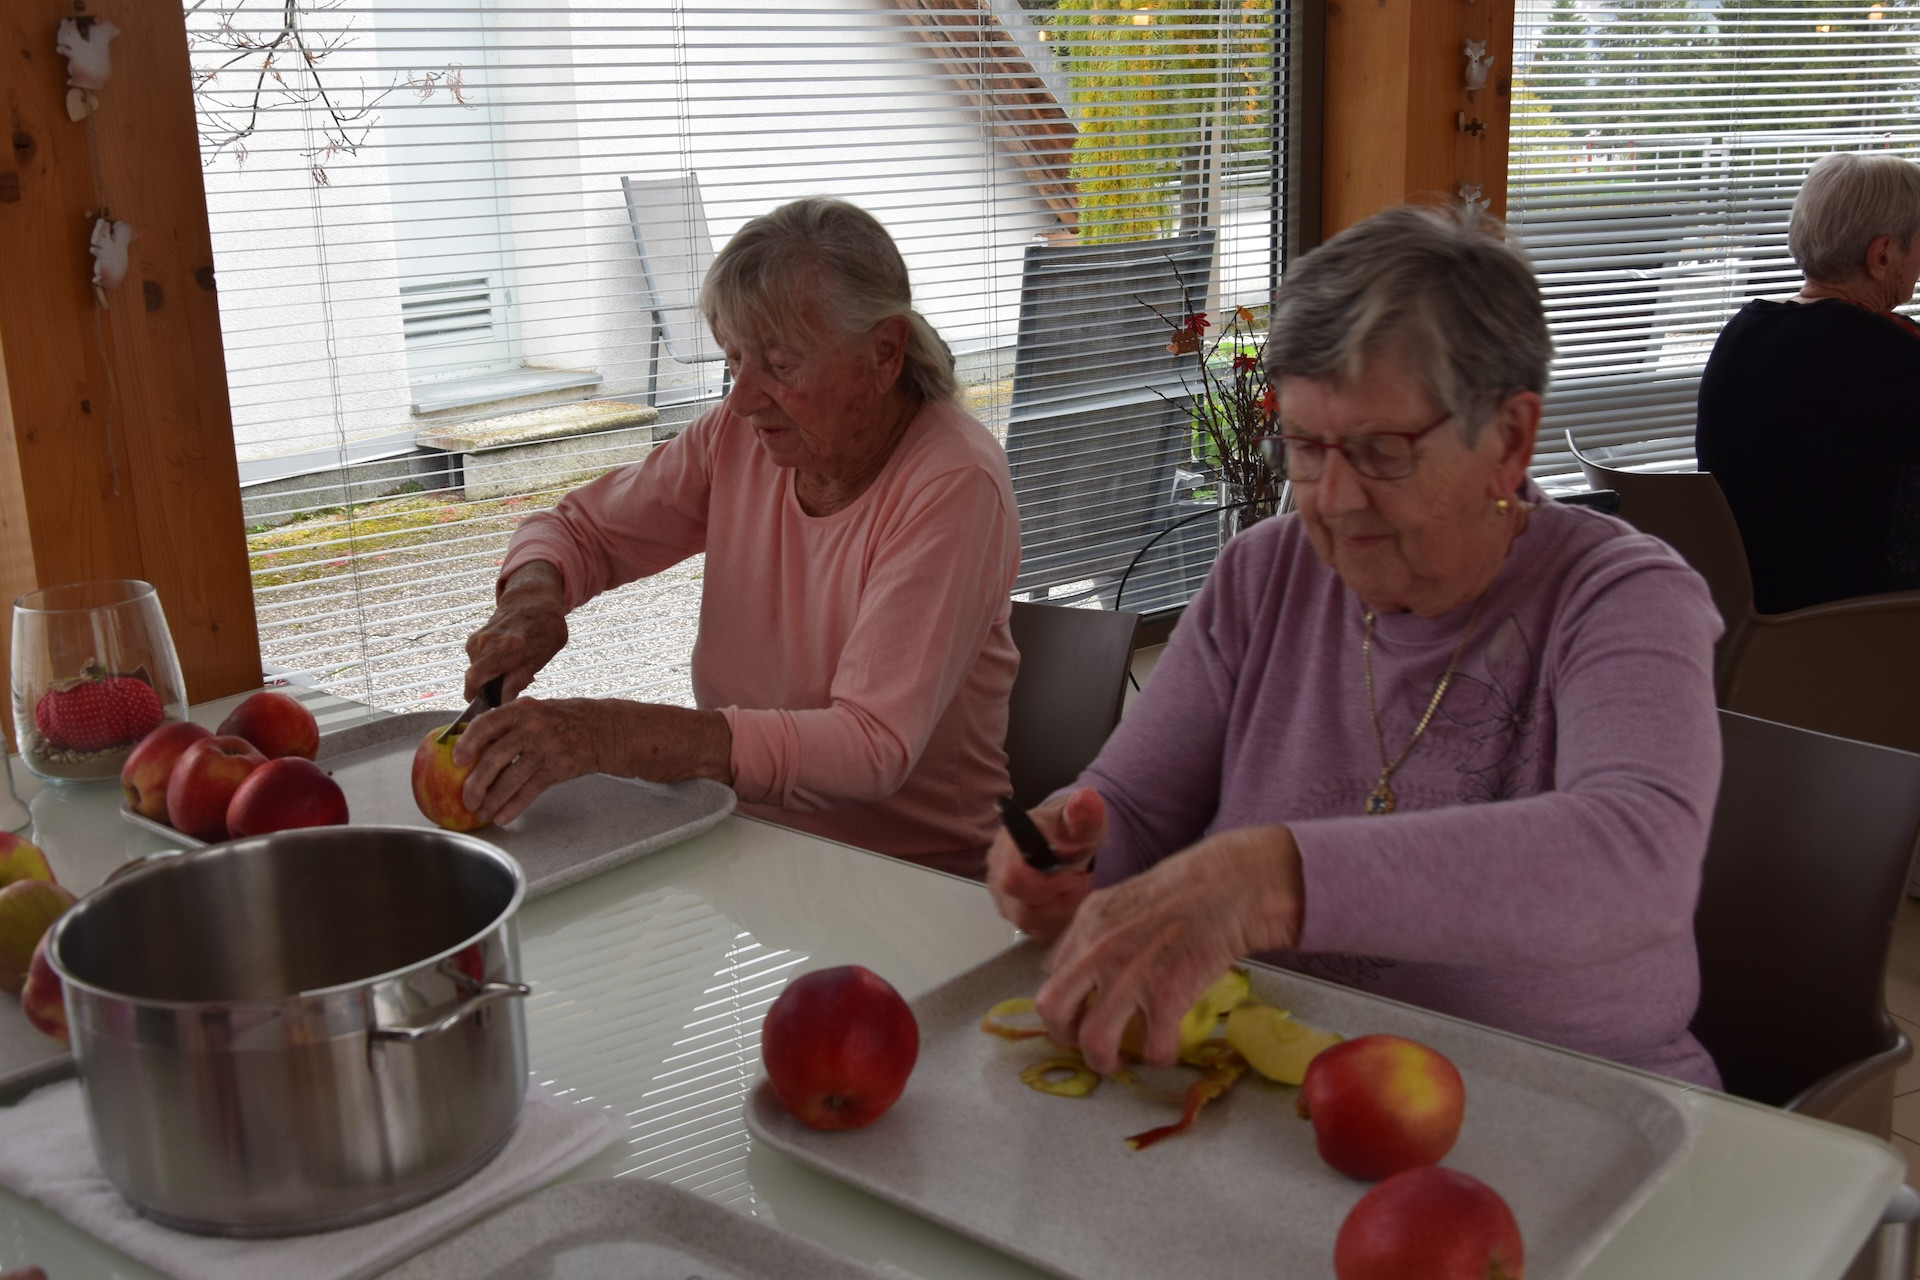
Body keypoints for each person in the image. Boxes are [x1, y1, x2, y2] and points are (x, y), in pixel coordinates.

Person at [988, 205, 1725, 1087]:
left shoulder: (1621, 596)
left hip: (1568, 1105)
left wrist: (1273, 877)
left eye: (1381, 450)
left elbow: (1636, 860)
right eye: (1305, 445)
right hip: (1271, 1080)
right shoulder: (1264, 574)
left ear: (1510, 438)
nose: (1331, 499)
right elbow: (1133, 805)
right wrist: (1067, 853)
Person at [456, 197, 1020, 877]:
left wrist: (609, 736)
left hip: (911, 879)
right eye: (734, 361)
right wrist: (533, 597)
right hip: (744, 844)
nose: (745, 396)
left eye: (780, 365)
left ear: (884, 354)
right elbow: (578, 530)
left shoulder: (952, 483)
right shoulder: (743, 435)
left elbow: (871, 746)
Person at [1697, 151, 1920, 614]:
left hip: (1753, 616)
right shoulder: (1887, 350)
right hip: (1852, 617)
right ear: (1881, 255)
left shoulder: (1742, 329)